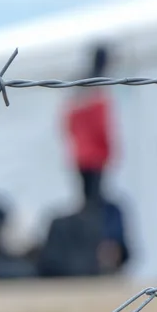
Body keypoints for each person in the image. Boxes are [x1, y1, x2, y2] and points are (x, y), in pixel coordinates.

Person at [63, 44, 114, 204]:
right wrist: (107, 148)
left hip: (81, 153)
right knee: (95, 199)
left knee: (86, 199)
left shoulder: (79, 85)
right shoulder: (98, 85)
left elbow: (68, 122)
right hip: (95, 154)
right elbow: (100, 125)